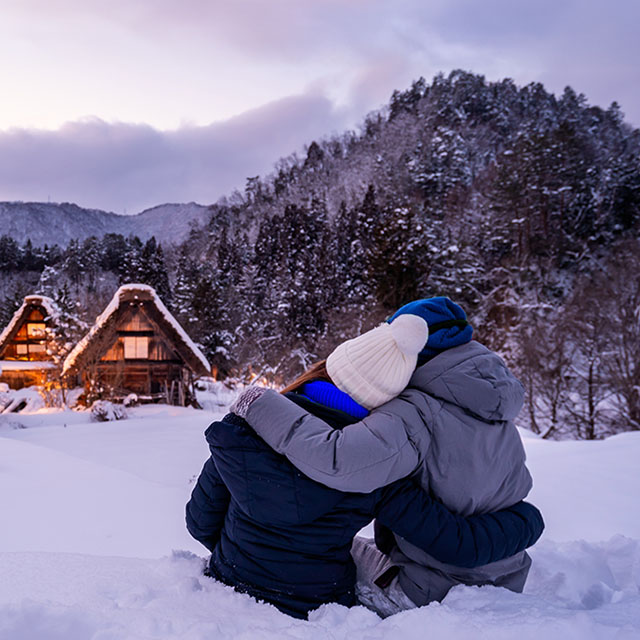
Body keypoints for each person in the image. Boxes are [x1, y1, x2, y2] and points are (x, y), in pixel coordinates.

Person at [186, 313, 544, 619]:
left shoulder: (244, 432)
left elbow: (200, 522)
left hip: (230, 576)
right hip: (318, 603)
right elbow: (451, 541)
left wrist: (245, 552)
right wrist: (528, 521)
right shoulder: (375, 463)